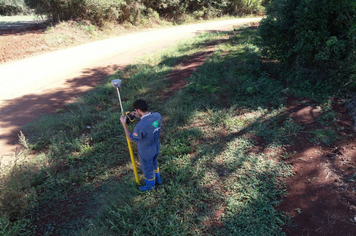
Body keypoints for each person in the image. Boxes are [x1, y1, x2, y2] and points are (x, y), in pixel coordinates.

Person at [120, 99, 163, 191]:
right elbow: (150, 124)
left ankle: (150, 186)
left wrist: (124, 124)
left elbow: (131, 139)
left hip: (146, 150)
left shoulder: (140, 126)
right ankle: (158, 179)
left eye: (136, 110)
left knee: (147, 167)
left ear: (138, 110)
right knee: (154, 162)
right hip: (156, 145)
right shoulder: (157, 115)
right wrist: (140, 116)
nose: (135, 112)